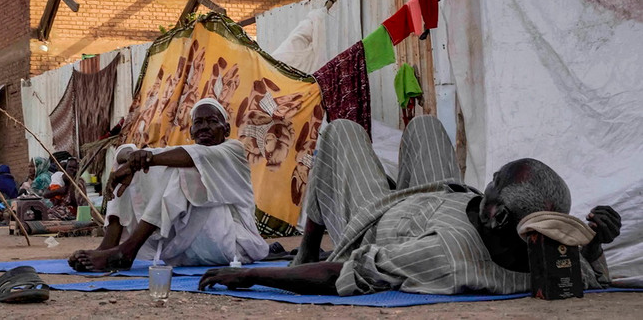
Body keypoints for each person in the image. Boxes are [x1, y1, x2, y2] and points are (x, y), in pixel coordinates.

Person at [199, 116, 621, 295]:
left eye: (493, 184)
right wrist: (594, 243)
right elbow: (591, 278)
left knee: (341, 131)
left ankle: (306, 249)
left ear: (497, 215)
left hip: (378, 216)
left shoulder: (444, 256)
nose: (489, 183)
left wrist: (253, 275)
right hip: (440, 196)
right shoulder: (542, 252)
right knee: (425, 125)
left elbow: (342, 274)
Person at [68, 98, 268, 271]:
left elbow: (189, 157)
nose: (205, 127)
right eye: (198, 122)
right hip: (188, 249)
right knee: (134, 162)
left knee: (184, 168)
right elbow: (124, 151)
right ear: (191, 131)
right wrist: (131, 161)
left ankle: (127, 251)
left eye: (212, 121)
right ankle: (108, 245)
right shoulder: (187, 152)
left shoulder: (233, 150)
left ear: (226, 130)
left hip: (232, 245)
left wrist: (136, 162)